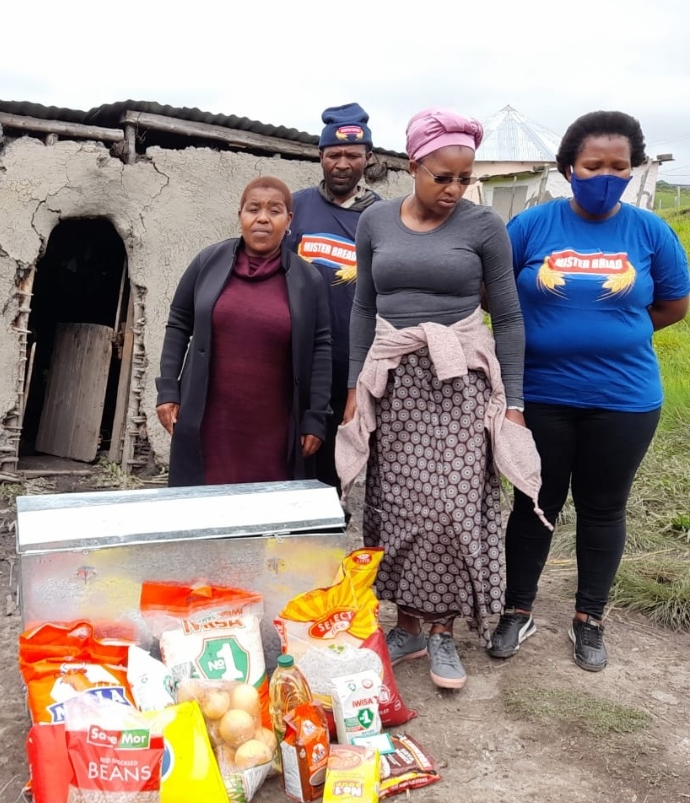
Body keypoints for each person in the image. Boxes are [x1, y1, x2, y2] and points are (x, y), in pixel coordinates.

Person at [336, 109, 547, 690]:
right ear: (413, 167)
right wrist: (355, 386)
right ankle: (406, 625)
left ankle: (442, 631)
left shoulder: (484, 227)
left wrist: (513, 401)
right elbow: (363, 306)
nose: (454, 189)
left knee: (453, 509)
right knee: (398, 506)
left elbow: (508, 317)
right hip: (395, 381)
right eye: (443, 177)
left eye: (464, 179)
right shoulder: (375, 221)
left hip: (460, 382)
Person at [488, 111, 689, 672]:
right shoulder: (531, 226)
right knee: (535, 502)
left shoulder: (650, 232)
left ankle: (590, 619)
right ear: (568, 169)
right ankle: (517, 609)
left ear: (633, 169)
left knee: (603, 508)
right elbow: (493, 294)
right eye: (593, 164)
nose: (605, 175)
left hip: (623, 399)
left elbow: (674, 304)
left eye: (618, 166)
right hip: (540, 394)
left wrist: (618, 334)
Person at [155, 176, 333, 487]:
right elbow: (179, 322)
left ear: (289, 220)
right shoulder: (207, 262)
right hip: (208, 421)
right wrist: (168, 389)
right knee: (202, 503)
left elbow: (321, 347)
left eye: (274, 211)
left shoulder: (308, 280)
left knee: (266, 508)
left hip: (275, 429)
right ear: (240, 215)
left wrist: (315, 416)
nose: (263, 218)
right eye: (253, 209)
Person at [287, 103, 381, 494]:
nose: (342, 164)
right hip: (296, 359)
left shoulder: (382, 217)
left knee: (334, 465)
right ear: (320, 156)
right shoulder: (295, 207)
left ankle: (329, 524)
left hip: (351, 365)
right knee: (289, 454)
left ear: (368, 158)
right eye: (334, 155)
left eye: (353, 155)